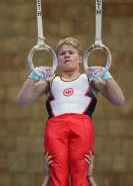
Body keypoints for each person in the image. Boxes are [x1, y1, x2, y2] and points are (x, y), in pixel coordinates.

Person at [16, 37, 124, 186]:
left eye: (71, 52)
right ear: (57, 61)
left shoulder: (91, 80)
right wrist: (34, 74)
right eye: (62, 53)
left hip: (82, 126)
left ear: (80, 59)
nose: (66, 55)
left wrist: (104, 73)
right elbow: (22, 100)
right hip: (55, 127)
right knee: (56, 174)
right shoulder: (50, 82)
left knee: (82, 173)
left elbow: (119, 100)